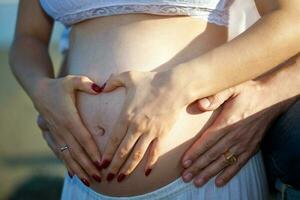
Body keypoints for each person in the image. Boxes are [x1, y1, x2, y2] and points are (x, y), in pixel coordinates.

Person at [9, 0, 300, 199]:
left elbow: (291, 19)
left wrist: (176, 86)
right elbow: (27, 37)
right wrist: (41, 91)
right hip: (82, 186)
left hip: (203, 175)